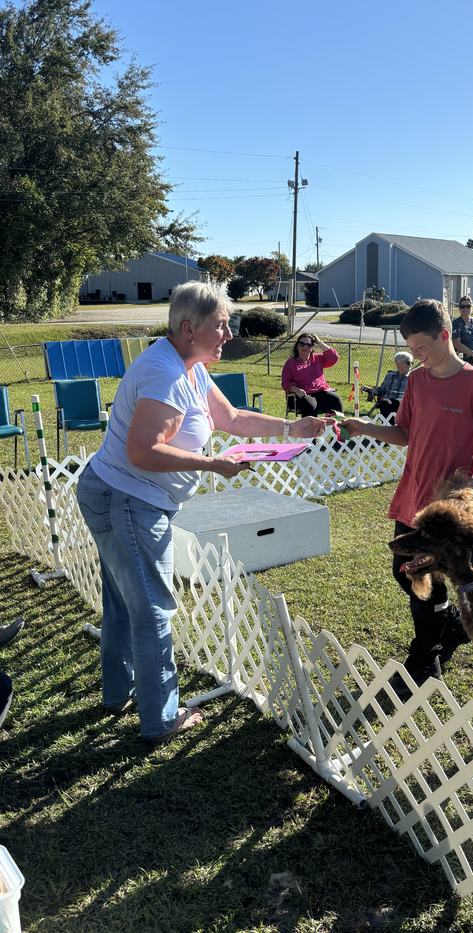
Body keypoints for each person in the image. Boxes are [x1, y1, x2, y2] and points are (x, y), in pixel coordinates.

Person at [77, 282, 329, 743]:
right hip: (129, 499)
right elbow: (143, 451)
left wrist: (293, 427)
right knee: (153, 608)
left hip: (116, 492)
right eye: (221, 324)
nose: (229, 333)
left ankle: (119, 693)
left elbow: (231, 418)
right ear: (189, 328)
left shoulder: (187, 366)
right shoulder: (166, 375)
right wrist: (213, 464)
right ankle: (161, 720)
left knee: (124, 602)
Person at [344, 299, 473, 698]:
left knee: (425, 577)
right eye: (412, 349)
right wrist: (366, 427)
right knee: (404, 570)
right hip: (413, 492)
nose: (417, 356)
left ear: (445, 335)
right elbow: (405, 433)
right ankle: (450, 626)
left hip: (449, 506)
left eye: (422, 347)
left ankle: (425, 660)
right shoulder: (416, 381)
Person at [282, 333, 343, 416]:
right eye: (302, 344)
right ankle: (309, 428)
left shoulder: (318, 359)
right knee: (311, 405)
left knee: (335, 400)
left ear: (312, 347)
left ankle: (334, 426)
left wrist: (319, 342)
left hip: (320, 392)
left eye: (308, 345)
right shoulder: (290, 363)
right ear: (297, 346)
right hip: (300, 395)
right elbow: (285, 383)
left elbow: (334, 357)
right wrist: (296, 390)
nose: (305, 347)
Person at [363, 351, 412, 421]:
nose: (410, 365)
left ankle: (392, 424)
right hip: (388, 400)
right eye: (408, 362)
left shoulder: (412, 377)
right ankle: (388, 424)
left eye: (411, 363)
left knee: (397, 402)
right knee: (385, 402)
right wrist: (372, 389)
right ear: (398, 364)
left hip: (403, 403)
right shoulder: (390, 375)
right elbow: (382, 390)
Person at [452, 296, 473, 370]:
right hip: (463, 363)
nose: (465, 308)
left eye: (468, 306)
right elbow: (457, 344)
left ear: (472, 307)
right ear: (459, 308)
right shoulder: (455, 324)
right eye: (462, 306)